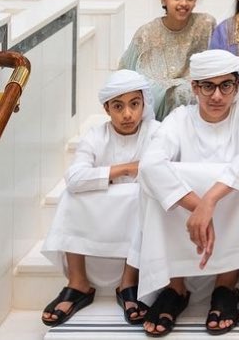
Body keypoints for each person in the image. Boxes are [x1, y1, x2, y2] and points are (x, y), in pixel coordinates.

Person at [135, 50, 239, 337]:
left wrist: (209, 201)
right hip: (192, 207)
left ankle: (226, 285)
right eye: (208, 86)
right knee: (153, 181)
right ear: (195, 87)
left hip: (228, 199)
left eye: (226, 86)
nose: (217, 96)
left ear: (237, 86)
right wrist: (198, 206)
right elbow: (150, 163)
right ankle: (175, 285)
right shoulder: (179, 117)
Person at [41, 70, 160, 328]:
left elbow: (160, 173)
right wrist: (126, 169)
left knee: (143, 196)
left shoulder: (156, 132)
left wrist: (107, 177)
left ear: (143, 104)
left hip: (133, 205)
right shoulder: (96, 135)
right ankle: (78, 282)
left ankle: (128, 282)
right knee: (70, 196)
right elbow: (74, 178)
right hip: (102, 208)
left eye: (134, 104)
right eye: (118, 106)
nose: (127, 114)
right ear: (107, 108)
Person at [119, 0, 216, 120]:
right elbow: (124, 74)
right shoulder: (146, 34)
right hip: (155, 113)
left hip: (197, 109)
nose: (184, 3)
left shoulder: (205, 25)